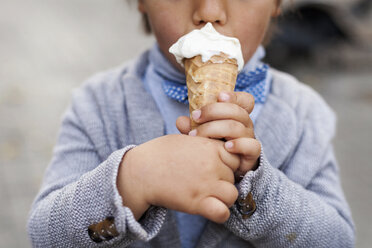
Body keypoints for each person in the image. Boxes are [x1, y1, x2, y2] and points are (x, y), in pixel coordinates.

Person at [27, 0, 355, 247]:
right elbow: (44, 235)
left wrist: (255, 186)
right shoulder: (99, 104)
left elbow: (337, 239)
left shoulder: (303, 113)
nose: (209, 11)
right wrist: (131, 180)